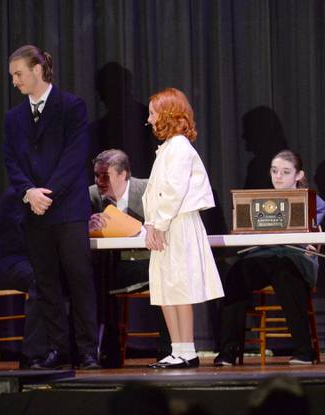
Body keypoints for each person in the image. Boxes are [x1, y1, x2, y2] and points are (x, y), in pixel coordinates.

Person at [3, 45, 99, 370]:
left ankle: (88, 350)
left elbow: (75, 156)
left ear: (38, 70)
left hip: (67, 209)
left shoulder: (72, 106)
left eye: (18, 74)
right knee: (46, 284)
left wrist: (48, 193)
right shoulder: (14, 117)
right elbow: (11, 161)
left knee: (79, 278)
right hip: (34, 211)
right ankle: (58, 348)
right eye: (12, 76)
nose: (14, 81)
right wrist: (29, 192)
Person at [214, 149, 325, 366]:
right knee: (236, 275)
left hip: (294, 259)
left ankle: (304, 351)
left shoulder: (314, 201)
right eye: (274, 171)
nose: (278, 177)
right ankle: (228, 350)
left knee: (285, 272)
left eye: (285, 172)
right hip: (263, 257)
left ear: (298, 175)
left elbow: (313, 233)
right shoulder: (259, 202)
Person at [143, 87, 224, 368]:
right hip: (165, 223)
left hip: (176, 223)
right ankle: (178, 349)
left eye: (153, 113)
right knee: (165, 287)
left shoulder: (179, 147)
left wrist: (160, 224)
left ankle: (187, 349)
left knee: (178, 285)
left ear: (167, 114)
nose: (150, 119)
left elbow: (174, 190)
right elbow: (155, 192)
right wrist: (151, 224)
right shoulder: (167, 148)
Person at [88, 149, 172, 364]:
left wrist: (142, 230)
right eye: (96, 175)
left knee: (165, 276)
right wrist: (88, 225)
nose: (99, 181)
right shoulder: (92, 196)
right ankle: (108, 354)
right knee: (93, 279)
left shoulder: (147, 190)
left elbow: (167, 226)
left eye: (105, 176)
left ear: (123, 174)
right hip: (113, 266)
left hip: (148, 261)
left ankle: (167, 351)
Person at [0, 187, 46, 361]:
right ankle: (33, 353)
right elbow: (25, 236)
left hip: (22, 259)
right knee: (41, 280)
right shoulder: (18, 195)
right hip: (4, 262)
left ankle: (64, 347)